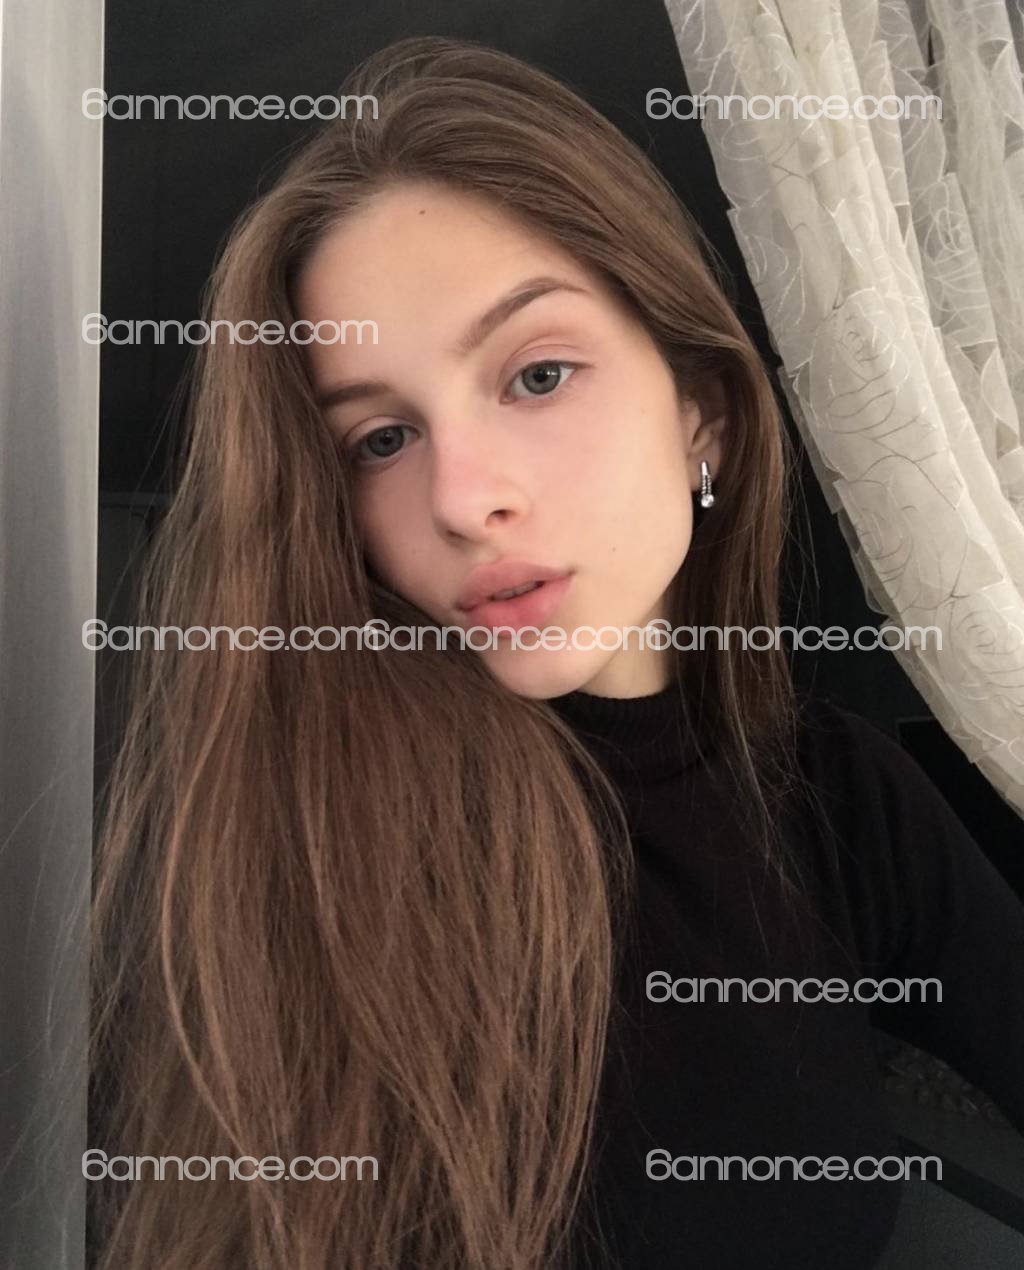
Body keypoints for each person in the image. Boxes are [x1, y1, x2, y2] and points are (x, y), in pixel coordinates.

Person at [88, 34, 1024, 1270]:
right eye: (379, 440)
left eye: (536, 373)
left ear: (703, 418)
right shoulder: (312, 834)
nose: (461, 498)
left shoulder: (841, 803)